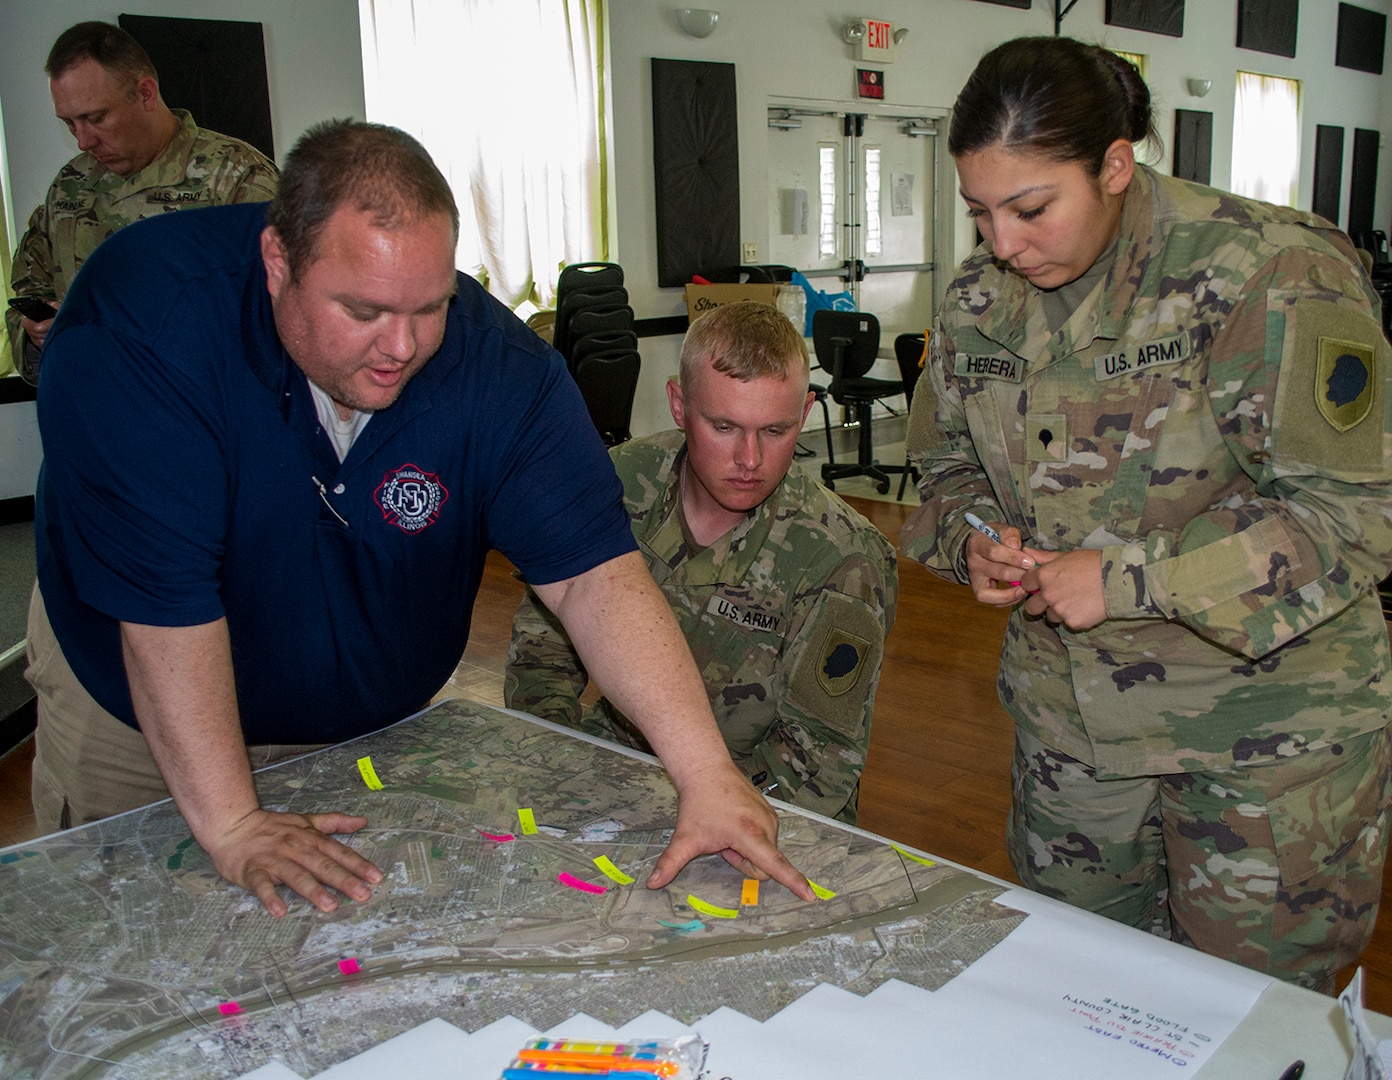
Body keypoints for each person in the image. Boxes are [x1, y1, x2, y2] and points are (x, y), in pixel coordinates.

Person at [28, 119, 813, 919]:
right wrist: (231, 822)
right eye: (363, 309)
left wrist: (706, 771)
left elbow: (593, 577)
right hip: (144, 700)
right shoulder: (143, 327)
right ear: (277, 263)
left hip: (358, 726)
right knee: (139, 933)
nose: (401, 346)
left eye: (429, 307)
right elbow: (164, 610)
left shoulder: (497, 368)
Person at [901, 36, 1392, 991]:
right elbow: (940, 463)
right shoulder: (977, 299)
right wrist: (973, 542)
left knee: (1255, 1023)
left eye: (1031, 208)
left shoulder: (1269, 273)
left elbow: (1355, 514)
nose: (1002, 243)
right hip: (1072, 736)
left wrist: (1129, 578)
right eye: (980, 211)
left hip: (1263, 739)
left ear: (1116, 166)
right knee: (1083, 1004)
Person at [506, 302, 898, 825]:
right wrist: (563, 776)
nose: (750, 460)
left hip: (763, 806)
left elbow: (816, 761)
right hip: (614, 771)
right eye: (724, 427)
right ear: (678, 403)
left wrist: (696, 813)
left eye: (776, 431)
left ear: (805, 414)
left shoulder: (844, 557)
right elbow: (540, 664)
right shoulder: (612, 488)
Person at [6, 20, 279, 384]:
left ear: (146, 94)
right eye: (70, 123)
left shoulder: (236, 179)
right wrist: (38, 334)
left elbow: (281, 315)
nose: (83, 141)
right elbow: (28, 292)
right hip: (95, 412)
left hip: (201, 419)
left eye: (95, 118)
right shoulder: (70, 186)